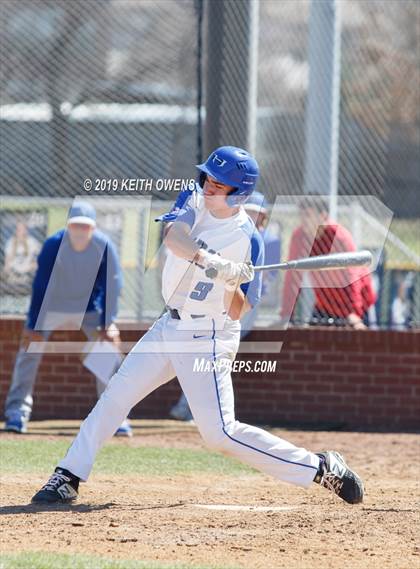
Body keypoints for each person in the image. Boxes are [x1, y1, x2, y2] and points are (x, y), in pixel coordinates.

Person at [31, 147, 363, 505]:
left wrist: (232, 281)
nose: (208, 186)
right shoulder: (193, 195)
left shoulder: (248, 241)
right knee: (115, 397)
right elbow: (174, 239)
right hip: (168, 324)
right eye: (208, 177)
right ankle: (68, 475)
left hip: (209, 335)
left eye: (219, 184)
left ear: (239, 193)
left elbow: (238, 311)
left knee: (219, 434)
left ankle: (321, 467)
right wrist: (211, 260)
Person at [3, 201, 132, 437]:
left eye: (86, 227)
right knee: (29, 348)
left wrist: (108, 322)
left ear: (93, 229)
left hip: (89, 308)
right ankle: (16, 413)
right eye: (76, 226)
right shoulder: (53, 245)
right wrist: (33, 325)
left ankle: (116, 417)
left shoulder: (104, 246)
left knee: (106, 351)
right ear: (68, 227)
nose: (81, 232)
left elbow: (112, 284)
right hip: (53, 307)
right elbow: (40, 285)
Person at [169, 190, 281, 421]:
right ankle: (196, 408)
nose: (253, 218)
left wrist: (241, 279)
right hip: (209, 300)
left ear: (264, 217)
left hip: (242, 302)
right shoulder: (229, 233)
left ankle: (200, 410)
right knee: (205, 353)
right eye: (249, 212)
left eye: (257, 214)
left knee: (215, 352)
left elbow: (265, 280)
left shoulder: (267, 241)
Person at [281, 194, 376, 329]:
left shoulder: (340, 237)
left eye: (308, 215)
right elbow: (292, 277)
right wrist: (286, 314)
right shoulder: (299, 237)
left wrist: (354, 313)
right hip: (325, 304)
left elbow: (352, 277)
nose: (303, 220)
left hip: (358, 304)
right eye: (301, 215)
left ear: (323, 216)